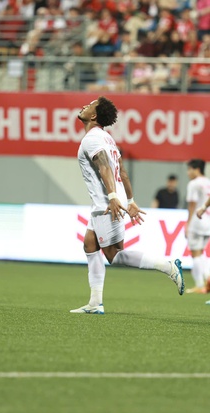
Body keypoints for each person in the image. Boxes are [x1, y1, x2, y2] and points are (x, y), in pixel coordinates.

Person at [70, 96, 185, 314]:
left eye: (90, 105)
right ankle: (95, 303)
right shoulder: (107, 138)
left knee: (115, 255)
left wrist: (113, 196)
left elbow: (104, 166)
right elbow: (122, 171)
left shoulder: (92, 139)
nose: (84, 106)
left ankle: (168, 267)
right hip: (110, 199)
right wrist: (130, 200)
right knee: (89, 244)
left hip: (107, 202)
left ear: (93, 116)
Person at [185, 159, 210, 294]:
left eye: (189, 169)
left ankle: (200, 284)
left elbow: (192, 205)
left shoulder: (194, 184)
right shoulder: (208, 182)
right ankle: (207, 281)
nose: (188, 173)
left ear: (196, 169)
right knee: (201, 253)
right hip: (208, 221)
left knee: (195, 253)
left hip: (197, 221)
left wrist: (188, 223)